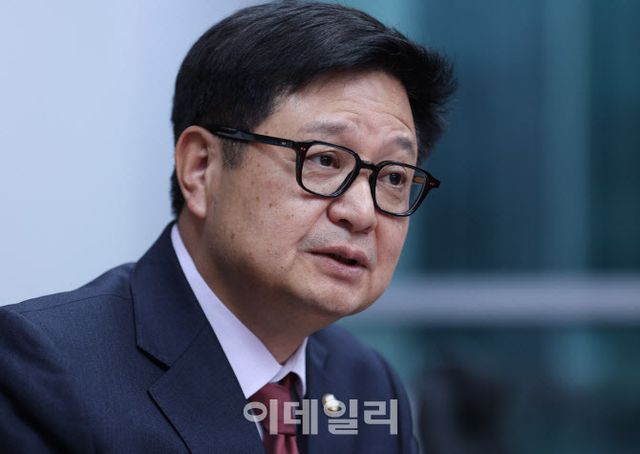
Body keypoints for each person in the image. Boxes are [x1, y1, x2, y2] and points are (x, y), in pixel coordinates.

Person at [0, 1, 455, 452]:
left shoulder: (366, 382)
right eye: (323, 160)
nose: (362, 212)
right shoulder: (42, 369)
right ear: (201, 169)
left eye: (394, 178)